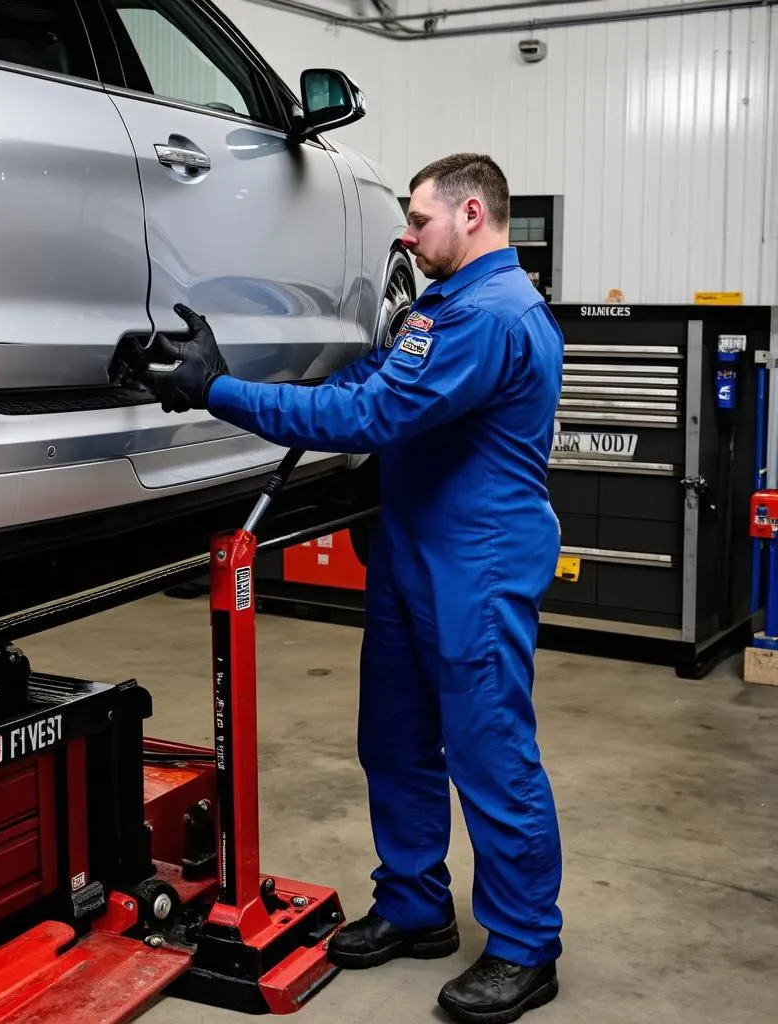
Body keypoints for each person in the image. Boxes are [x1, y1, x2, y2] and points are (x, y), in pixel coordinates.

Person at [134, 153, 565, 1024]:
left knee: (490, 754)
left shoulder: (492, 316)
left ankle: (524, 945)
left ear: (473, 213)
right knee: (394, 739)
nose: (407, 235)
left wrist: (217, 391)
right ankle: (415, 907)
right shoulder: (442, 307)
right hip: (414, 550)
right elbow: (363, 384)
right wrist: (242, 371)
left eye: (419, 219)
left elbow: (366, 418)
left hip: (477, 562)